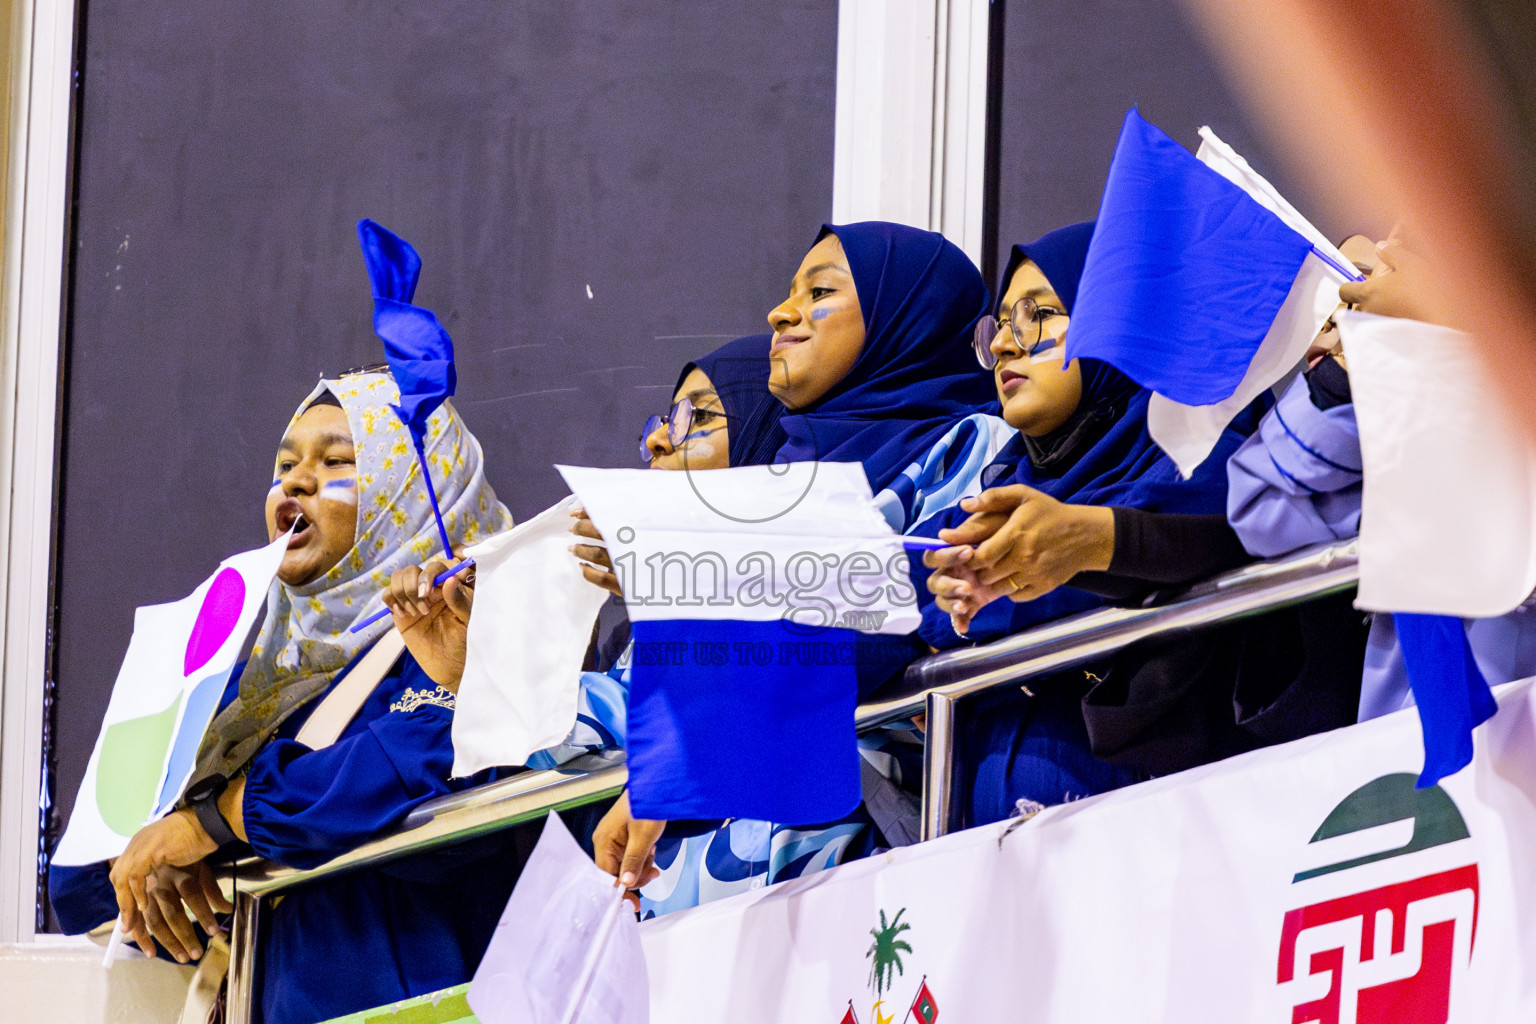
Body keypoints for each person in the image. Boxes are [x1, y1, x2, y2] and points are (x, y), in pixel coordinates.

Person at [54, 370, 515, 1024]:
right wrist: (154, 861)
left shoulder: (469, 629)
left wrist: (212, 824)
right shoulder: (254, 690)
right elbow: (75, 880)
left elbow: (416, 768)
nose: (296, 481)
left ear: (411, 488)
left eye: (336, 462)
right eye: (284, 464)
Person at [918, 223, 1360, 825]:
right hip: (988, 860)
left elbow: (1213, 529)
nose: (1004, 346)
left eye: (1039, 315)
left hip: (1171, 850)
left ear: (1120, 323)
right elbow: (907, 584)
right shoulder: (997, 486)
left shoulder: (1205, 443)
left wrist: (1069, 553)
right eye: (1000, 325)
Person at [1228, 234, 1536, 720]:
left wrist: (1461, 325)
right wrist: (1347, 373)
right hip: (1412, 755)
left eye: (1378, 274)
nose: (1348, 307)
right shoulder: (1397, 431)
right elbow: (1262, 510)